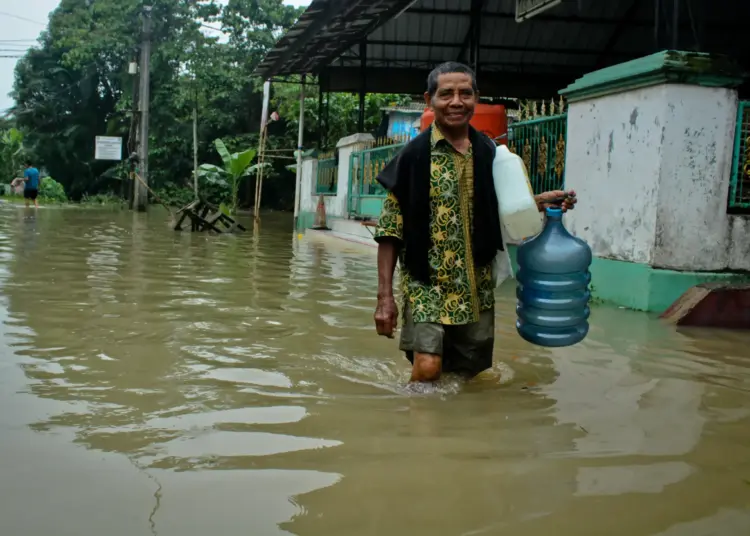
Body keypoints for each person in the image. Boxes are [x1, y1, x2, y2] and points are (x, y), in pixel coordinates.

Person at [373, 62, 577, 384]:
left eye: (465, 93)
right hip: (426, 283)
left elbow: (502, 209)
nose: (456, 102)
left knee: (465, 377)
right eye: (446, 94)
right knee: (427, 368)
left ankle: (452, 430)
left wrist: (540, 203)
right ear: (429, 100)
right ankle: (412, 429)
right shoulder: (412, 157)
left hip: (476, 285)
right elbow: (389, 230)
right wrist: (385, 298)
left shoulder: (492, 154)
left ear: (476, 98)